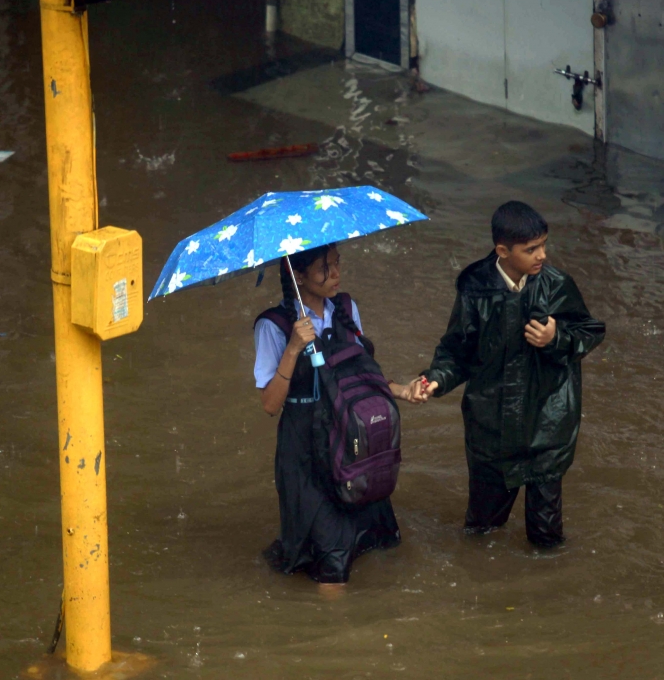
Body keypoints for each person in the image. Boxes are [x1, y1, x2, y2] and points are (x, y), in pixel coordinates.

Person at [407, 201, 605, 547]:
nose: (541, 255)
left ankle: (545, 592)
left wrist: (555, 338)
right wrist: (436, 378)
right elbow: (458, 350)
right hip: (491, 425)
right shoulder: (474, 287)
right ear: (503, 250)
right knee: (482, 529)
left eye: (543, 244)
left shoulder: (556, 284)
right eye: (531, 249)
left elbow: (590, 332)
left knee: (546, 534)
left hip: (547, 424)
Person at [254, 243, 423, 589]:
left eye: (336, 264)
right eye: (323, 268)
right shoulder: (273, 325)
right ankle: (336, 632)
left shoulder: (345, 309)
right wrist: (293, 348)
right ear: (298, 277)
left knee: (374, 540)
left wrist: (403, 390)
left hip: (350, 442)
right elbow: (270, 405)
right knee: (331, 563)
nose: (335, 275)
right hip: (304, 453)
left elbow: (362, 377)